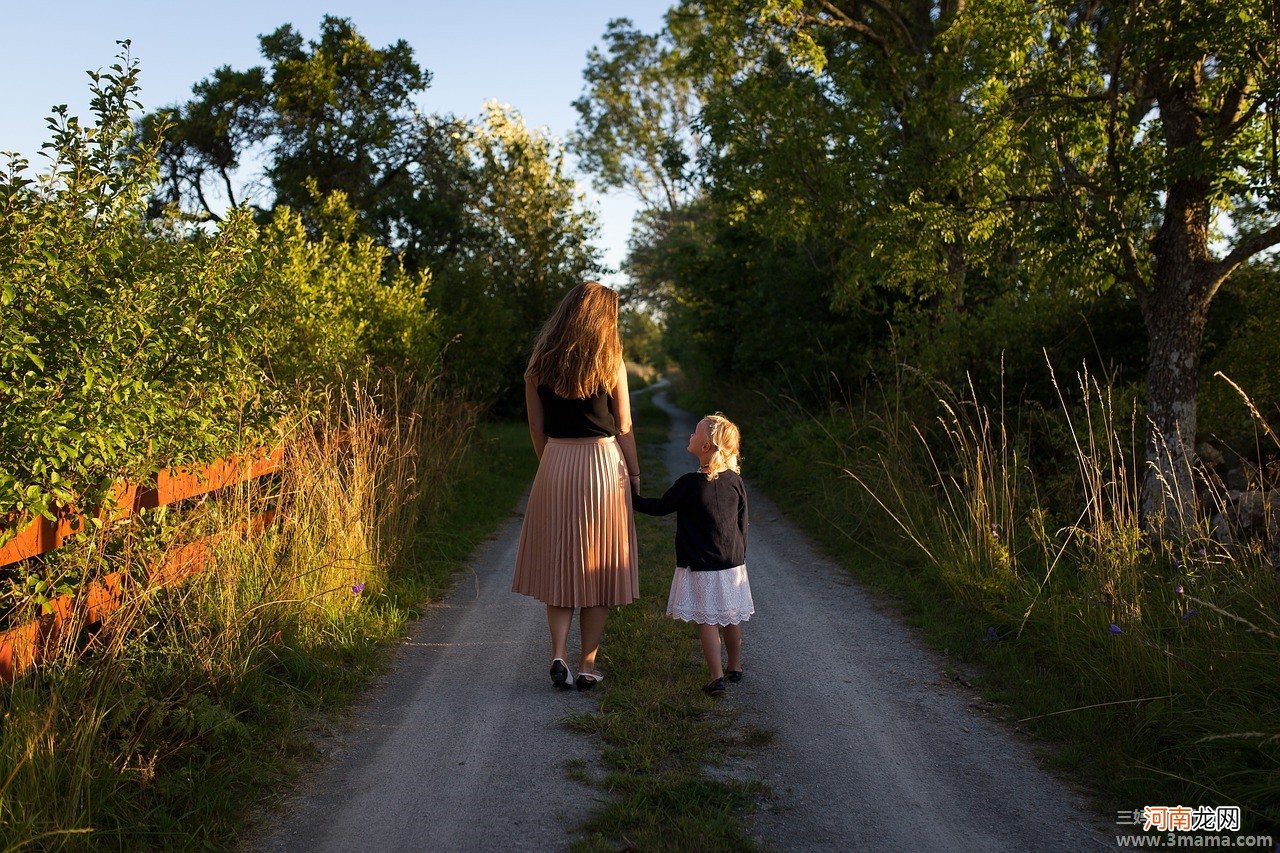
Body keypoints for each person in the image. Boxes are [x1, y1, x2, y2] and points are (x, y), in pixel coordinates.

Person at [513, 281, 640, 691]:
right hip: (603, 464)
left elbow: (536, 427)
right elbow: (623, 426)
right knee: (599, 565)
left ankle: (557, 655)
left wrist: (550, 463)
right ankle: (587, 665)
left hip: (556, 461)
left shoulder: (538, 364)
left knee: (561, 564)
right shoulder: (610, 360)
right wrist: (634, 475)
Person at [631, 413, 752, 697]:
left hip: (701, 563)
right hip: (732, 563)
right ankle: (735, 666)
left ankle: (716, 677)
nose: (690, 436)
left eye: (694, 433)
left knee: (708, 621)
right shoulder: (735, 481)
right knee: (731, 617)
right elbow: (742, 520)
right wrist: (740, 554)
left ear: (706, 447)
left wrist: (629, 497)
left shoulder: (689, 484)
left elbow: (660, 507)